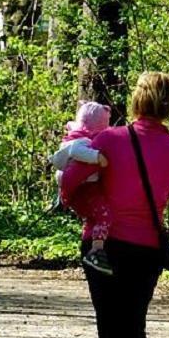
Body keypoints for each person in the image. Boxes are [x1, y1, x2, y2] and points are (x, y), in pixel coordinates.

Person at [60, 72, 169, 338]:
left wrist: (85, 206)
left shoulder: (109, 140)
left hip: (105, 245)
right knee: (134, 323)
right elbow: (165, 195)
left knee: (110, 324)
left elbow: (68, 182)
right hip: (147, 247)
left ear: (136, 101)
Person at [49, 101, 113, 274]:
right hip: (85, 189)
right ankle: (97, 250)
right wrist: (97, 157)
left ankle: (91, 243)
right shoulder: (81, 142)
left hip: (78, 188)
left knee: (92, 217)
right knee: (104, 215)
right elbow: (78, 152)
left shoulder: (74, 138)